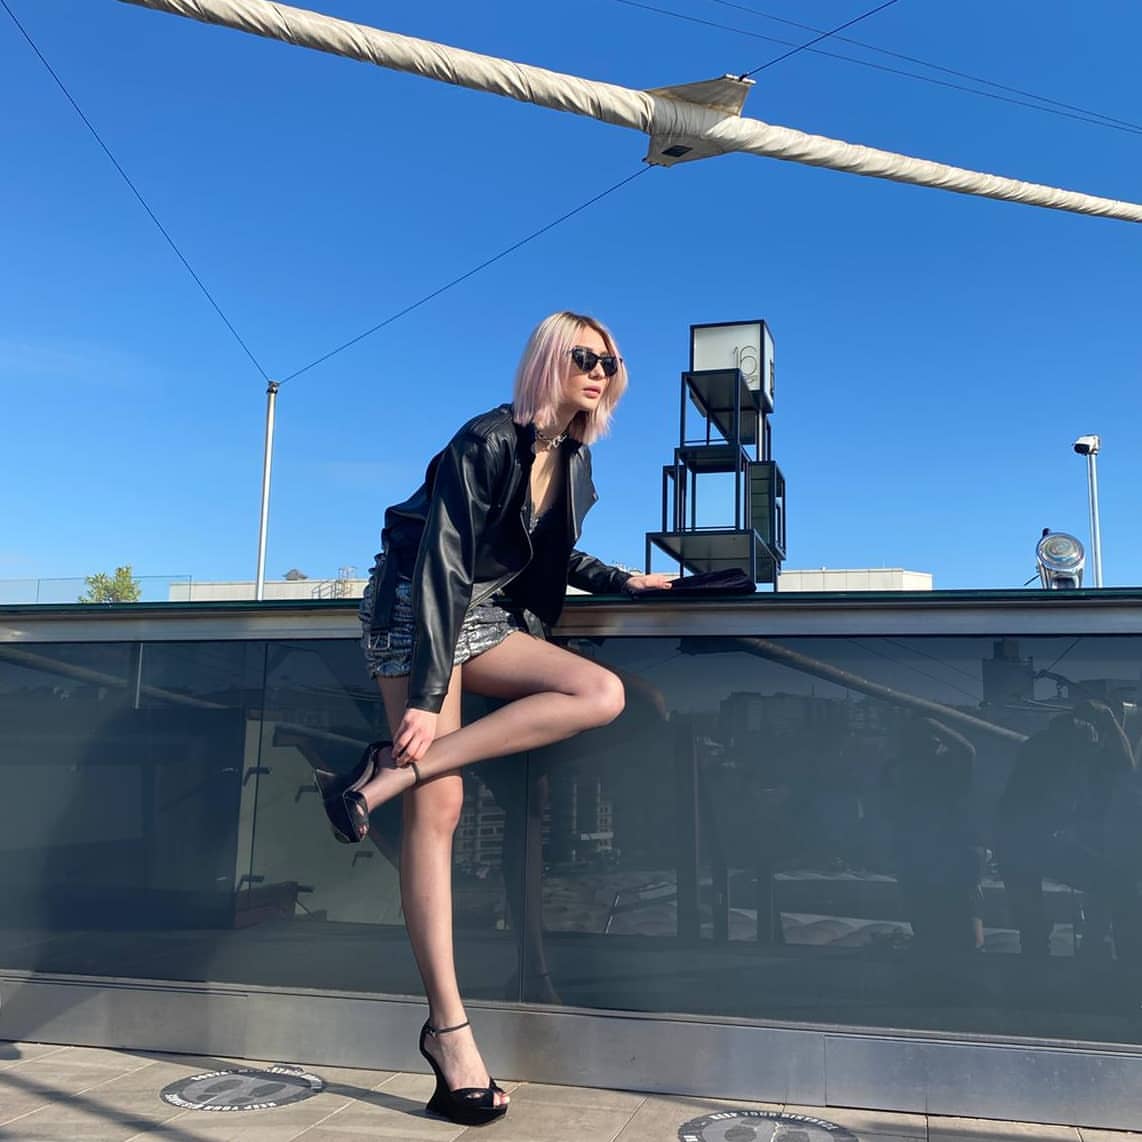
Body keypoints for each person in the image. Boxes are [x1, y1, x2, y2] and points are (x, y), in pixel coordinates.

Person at [318, 311, 673, 1126]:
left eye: (611, 362)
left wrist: (623, 581)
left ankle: (382, 778)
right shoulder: (484, 440)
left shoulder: (571, 458)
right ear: (549, 361)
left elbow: (544, 551)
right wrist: (423, 698)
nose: (601, 372)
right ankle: (449, 1035)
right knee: (440, 808)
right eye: (585, 357)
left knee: (600, 693)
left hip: (484, 616)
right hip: (415, 608)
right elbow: (443, 562)